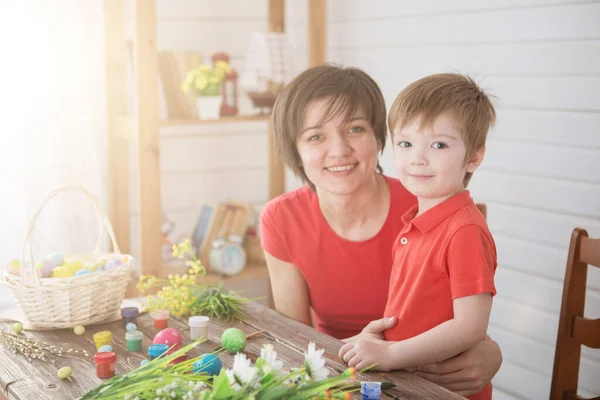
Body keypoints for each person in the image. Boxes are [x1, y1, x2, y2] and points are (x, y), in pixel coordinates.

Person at [260, 64, 502, 397]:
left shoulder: (428, 202)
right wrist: (358, 352)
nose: (339, 150)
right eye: (316, 136)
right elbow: (297, 341)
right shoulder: (282, 218)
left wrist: (492, 352)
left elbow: (465, 318)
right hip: (348, 377)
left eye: (355, 129)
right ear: (295, 149)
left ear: (378, 137)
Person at [339, 73, 497, 400]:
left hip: (444, 392)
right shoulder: (417, 221)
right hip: (408, 384)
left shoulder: (464, 230)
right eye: (406, 143)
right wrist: (376, 345)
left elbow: (470, 327)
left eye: (438, 145)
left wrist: (391, 354)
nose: (417, 158)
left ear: (474, 156)